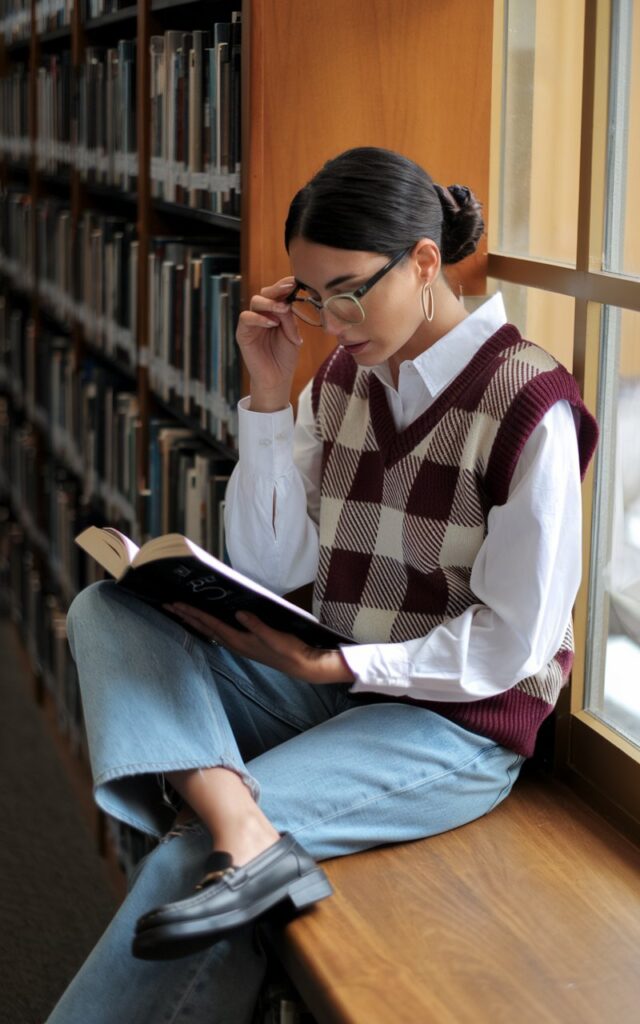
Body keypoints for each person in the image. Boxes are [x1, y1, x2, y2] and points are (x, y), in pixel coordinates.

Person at [46, 147, 598, 1023]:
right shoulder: (341, 379)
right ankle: (246, 828)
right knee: (104, 606)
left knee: (187, 869)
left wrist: (339, 670)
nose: (332, 320)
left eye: (348, 289)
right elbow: (273, 570)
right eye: (313, 294)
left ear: (424, 261)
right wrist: (268, 395)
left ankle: (231, 839)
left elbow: (513, 645)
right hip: (333, 680)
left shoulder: (530, 402)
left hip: (453, 728)